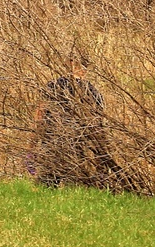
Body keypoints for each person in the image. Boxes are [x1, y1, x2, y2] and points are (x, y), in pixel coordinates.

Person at [32, 54, 128, 189]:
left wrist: (31, 148)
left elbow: (39, 119)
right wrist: (100, 159)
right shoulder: (94, 93)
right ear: (86, 69)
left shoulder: (53, 86)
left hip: (52, 144)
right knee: (73, 191)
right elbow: (98, 128)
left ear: (69, 64)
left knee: (45, 189)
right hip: (79, 149)